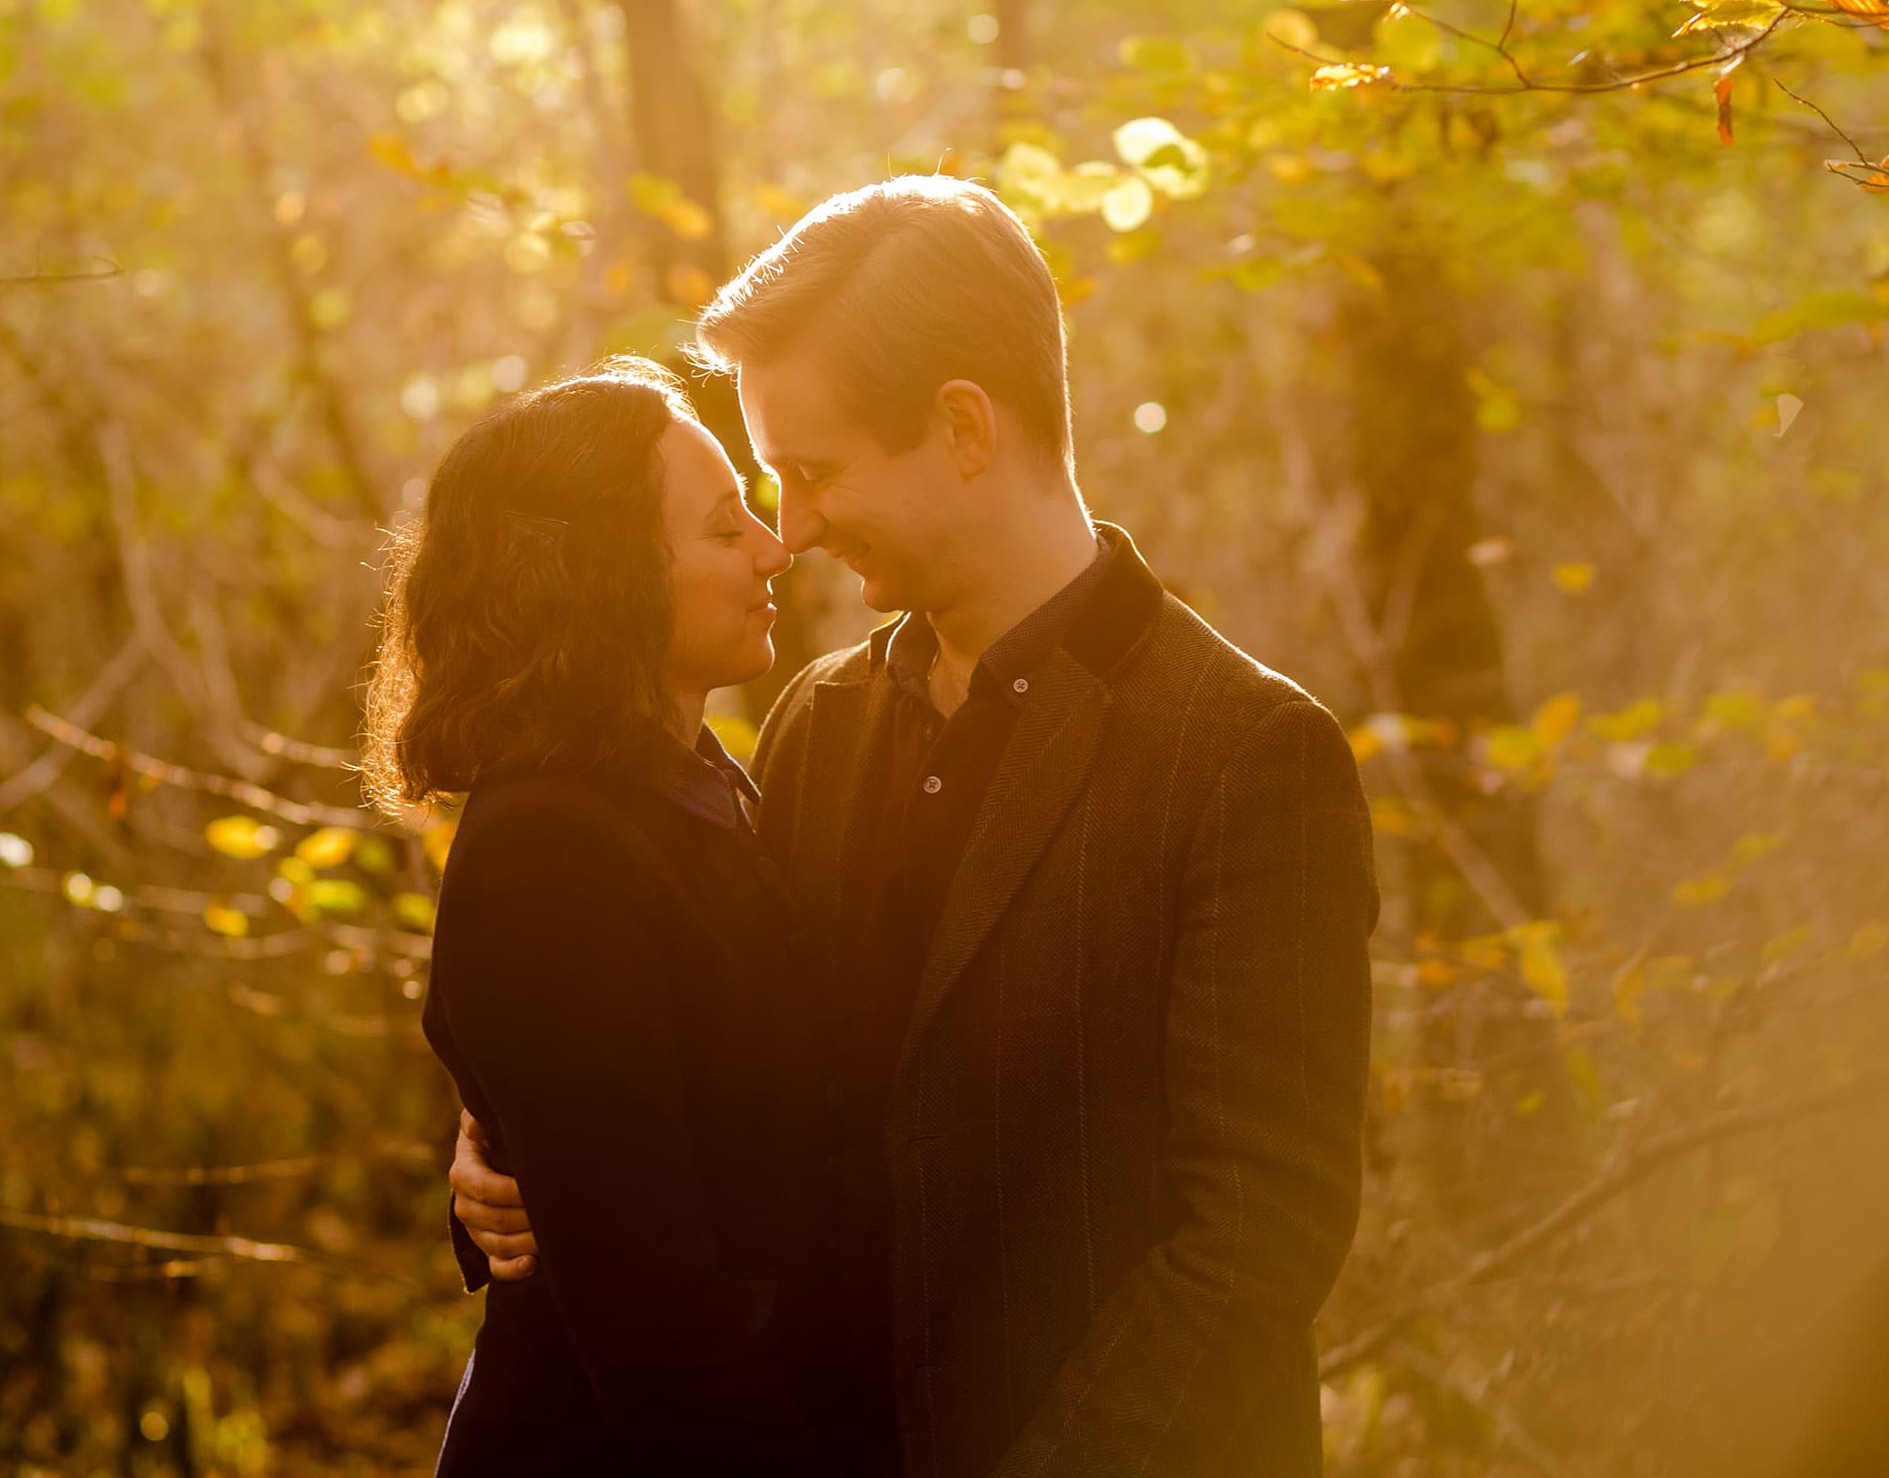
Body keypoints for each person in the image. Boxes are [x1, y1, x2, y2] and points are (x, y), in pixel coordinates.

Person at [451, 176, 1380, 1478]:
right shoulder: (818, 727)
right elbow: (702, 1078)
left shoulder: (1243, 753)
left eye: (814, 473)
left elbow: (1259, 1236)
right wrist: (501, 1142)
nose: (793, 527)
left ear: (960, 428)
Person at [364, 360, 857, 1475]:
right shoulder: (552, 845)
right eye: (725, 528)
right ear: (607, 572)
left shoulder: (700, 780)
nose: (775, 550)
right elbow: (657, 1316)